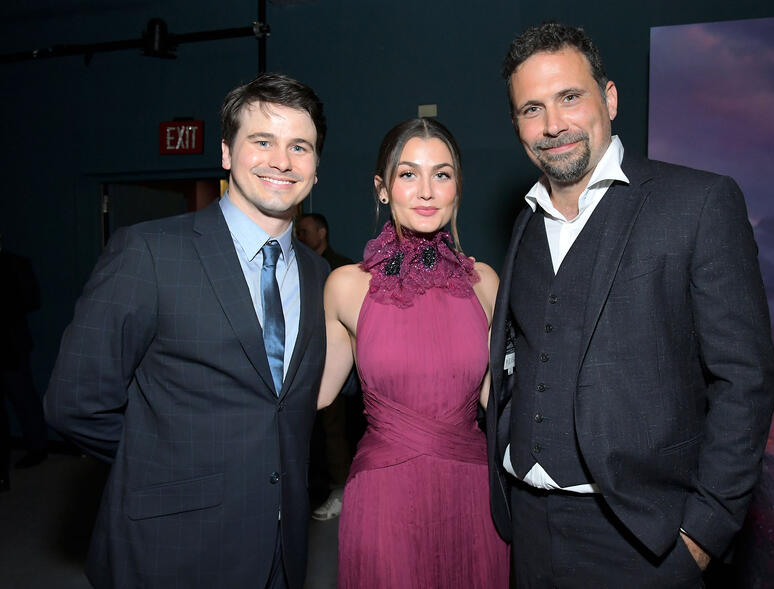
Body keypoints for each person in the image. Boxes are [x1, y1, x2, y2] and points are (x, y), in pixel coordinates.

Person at [486, 21, 774, 588]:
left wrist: (704, 532)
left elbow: (745, 379)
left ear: (609, 98)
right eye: (532, 108)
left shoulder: (698, 202)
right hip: (528, 525)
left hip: (643, 539)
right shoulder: (524, 222)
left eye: (570, 97)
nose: (553, 125)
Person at [44, 73, 330, 589]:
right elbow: (74, 402)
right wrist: (172, 465)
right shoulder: (149, 252)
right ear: (226, 152)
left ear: (316, 166)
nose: (281, 161)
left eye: (299, 147)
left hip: (282, 545)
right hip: (173, 543)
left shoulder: (319, 274)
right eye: (261, 141)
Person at [319, 118, 509, 587]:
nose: (426, 190)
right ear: (383, 189)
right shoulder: (345, 286)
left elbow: (499, 400)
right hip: (384, 497)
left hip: (472, 493)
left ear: (457, 188)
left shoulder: (485, 284)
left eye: (441, 174)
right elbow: (314, 393)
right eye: (408, 174)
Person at [295, 212, 361, 521]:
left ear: (323, 232)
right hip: (309, 358)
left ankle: (341, 489)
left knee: (336, 429)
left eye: (306, 230)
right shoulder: (298, 266)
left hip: (337, 360)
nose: (301, 235)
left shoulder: (343, 269)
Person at [1, 235, 48, 492]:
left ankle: (38, 447)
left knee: (22, 397)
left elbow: (32, 300)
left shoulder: (16, 263)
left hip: (11, 342)